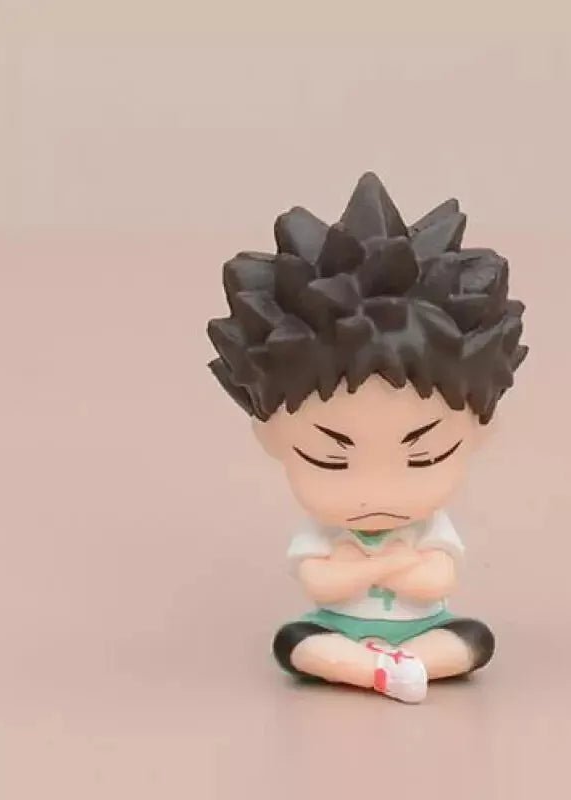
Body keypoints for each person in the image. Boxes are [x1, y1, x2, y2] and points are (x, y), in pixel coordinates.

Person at [206, 172, 528, 703]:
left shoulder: (427, 529)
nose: (377, 491)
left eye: (423, 457)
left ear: (481, 430)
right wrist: (393, 563)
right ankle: (376, 670)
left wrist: (371, 565)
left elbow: (436, 583)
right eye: (331, 460)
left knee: (473, 639)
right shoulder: (328, 534)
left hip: (424, 626)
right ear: (271, 437)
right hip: (336, 627)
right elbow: (320, 586)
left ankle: (393, 664)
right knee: (296, 642)